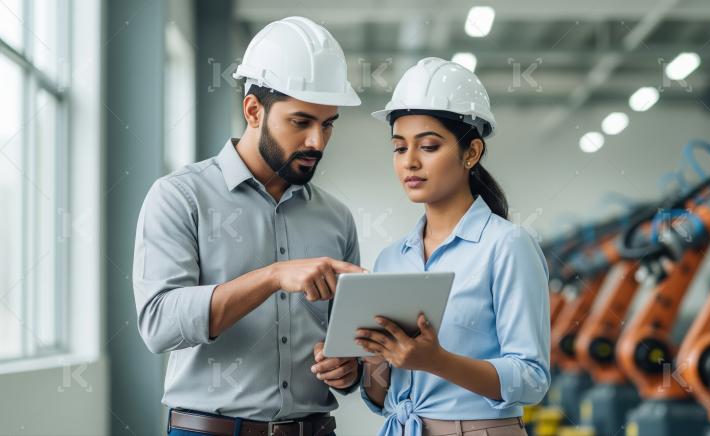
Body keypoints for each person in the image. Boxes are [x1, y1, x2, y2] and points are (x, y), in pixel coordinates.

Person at [132, 16, 365, 436]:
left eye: (328, 123)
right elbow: (159, 323)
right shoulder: (180, 197)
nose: (317, 141)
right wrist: (273, 276)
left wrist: (348, 369)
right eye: (301, 122)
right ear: (253, 110)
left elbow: (347, 344)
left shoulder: (337, 219)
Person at [357, 57, 551, 436]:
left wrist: (437, 361)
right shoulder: (391, 259)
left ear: (471, 153)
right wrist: (367, 361)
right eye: (399, 148)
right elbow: (382, 396)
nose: (410, 162)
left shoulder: (508, 247)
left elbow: (531, 379)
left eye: (428, 146)